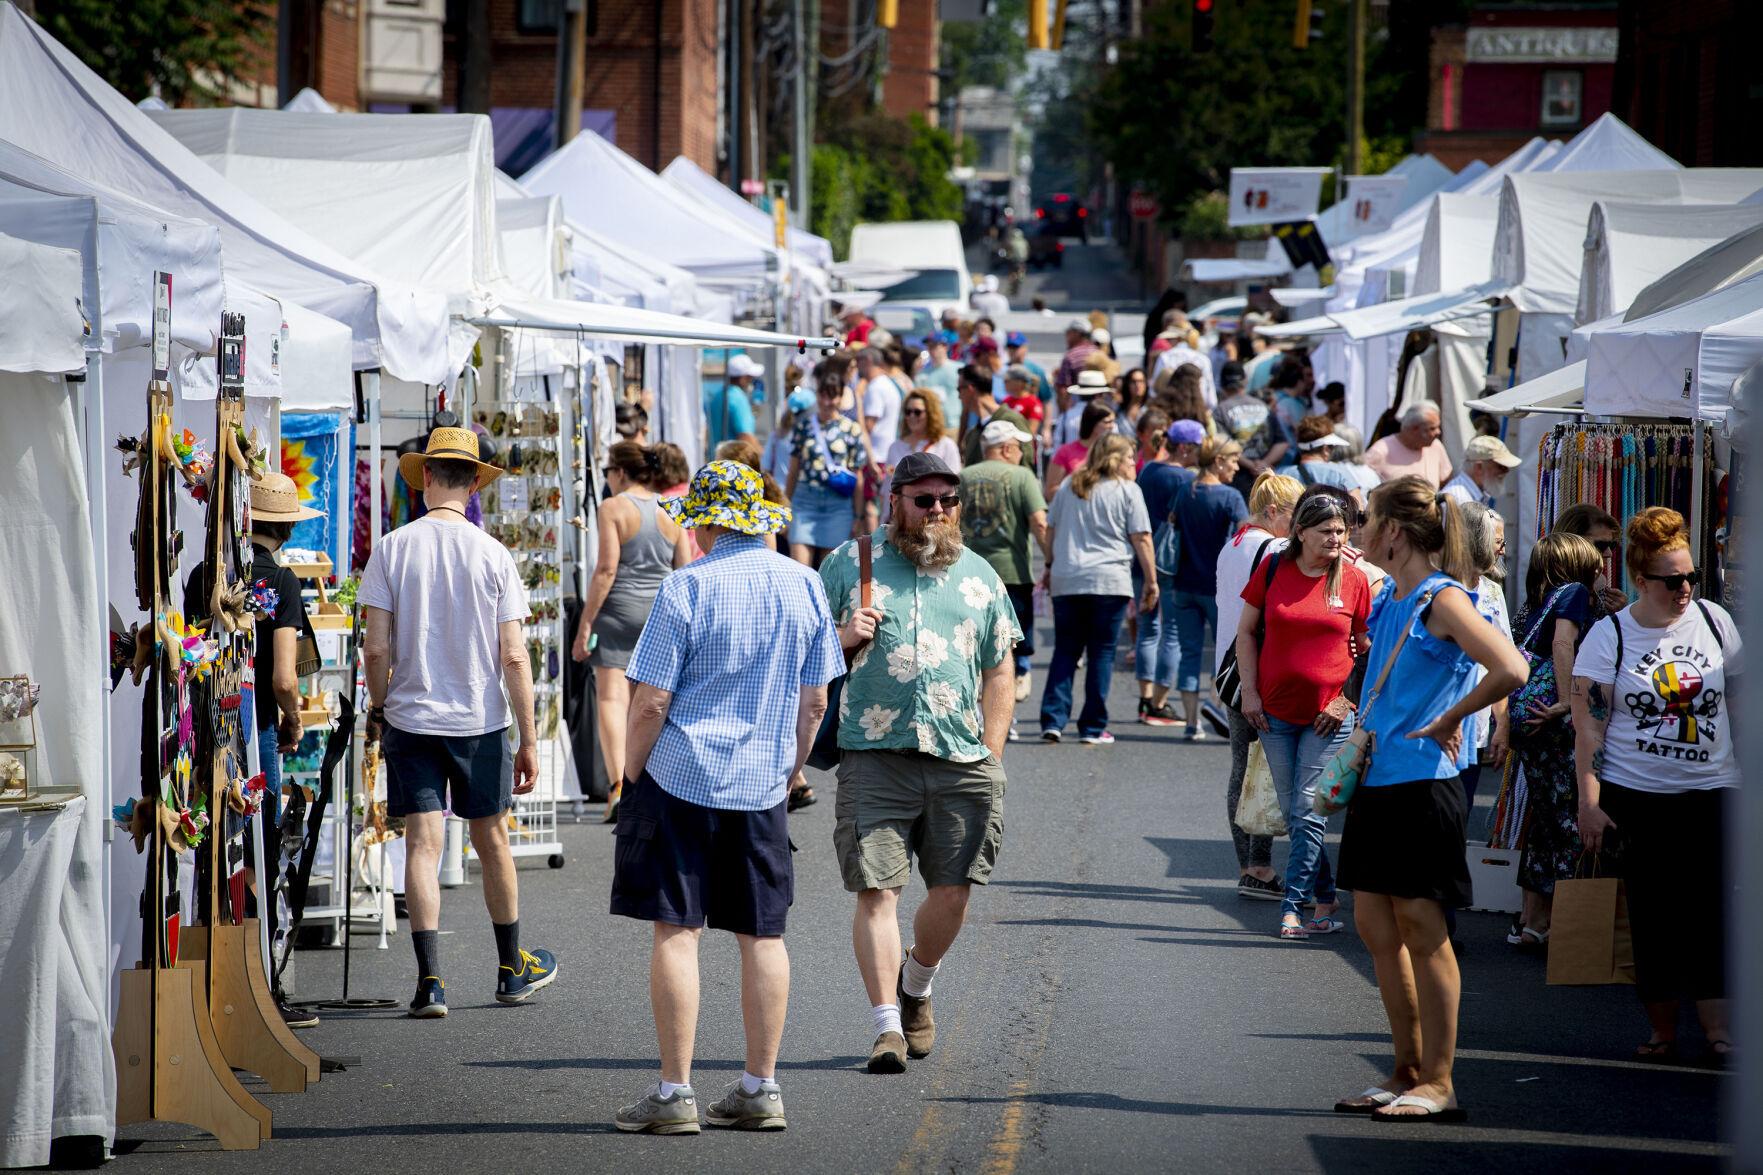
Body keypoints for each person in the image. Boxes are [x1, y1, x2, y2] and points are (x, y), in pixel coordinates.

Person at [610, 461, 844, 1134]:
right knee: (762, 934)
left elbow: (651, 699)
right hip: (762, 779)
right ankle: (759, 1085)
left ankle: (673, 1093)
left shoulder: (686, 586)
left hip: (682, 774)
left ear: (706, 521)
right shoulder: (802, 583)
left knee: (676, 931)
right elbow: (816, 699)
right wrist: (790, 766)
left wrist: (631, 772)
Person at [1331, 477, 1525, 1120]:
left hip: (1423, 785)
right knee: (1376, 928)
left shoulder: (1442, 598)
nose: (1358, 528)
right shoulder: (1394, 595)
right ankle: (1405, 1071)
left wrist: (1452, 719)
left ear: (1392, 530)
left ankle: (1439, 1082)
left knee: (1423, 930)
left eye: (1366, 518)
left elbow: (1510, 668)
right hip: (1381, 780)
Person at [821, 452, 1020, 1074]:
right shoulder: (846, 565)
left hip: (962, 757)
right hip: (874, 754)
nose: (938, 511)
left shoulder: (980, 575)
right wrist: (842, 637)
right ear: (894, 501)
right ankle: (885, 1027)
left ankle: (917, 983)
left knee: (954, 892)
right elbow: (802, 659)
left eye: (947, 501)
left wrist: (992, 751)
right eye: (924, 499)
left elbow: (999, 668)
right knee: (877, 889)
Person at [360, 427, 559, 1018]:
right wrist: (529, 736)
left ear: (424, 479)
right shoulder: (493, 553)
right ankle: (509, 969)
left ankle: (430, 982)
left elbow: (375, 649)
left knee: (422, 845)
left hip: (413, 716)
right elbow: (515, 655)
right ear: (474, 483)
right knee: (490, 838)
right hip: (478, 717)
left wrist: (378, 706)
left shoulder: (393, 548)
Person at [1569, 507, 1739, 1065]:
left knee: (1714, 912)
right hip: (1638, 797)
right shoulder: (1609, 634)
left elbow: (1740, 704)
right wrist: (1589, 802)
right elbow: (1588, 727)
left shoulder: (1715, 621)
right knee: (1654, 914)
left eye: (1690, 576)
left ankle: (1718, 1032)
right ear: (1641, 581)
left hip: (1714, 791)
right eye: (1672, 580)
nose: (1685, 588)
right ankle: (1663, 1032)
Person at [193, 473, 319, 1028]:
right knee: (258, 854)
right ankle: (258, 986)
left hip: (203, 732)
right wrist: (294, 720)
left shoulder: (206, 572)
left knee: (210, 850)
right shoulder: (283, 580)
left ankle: (208, 978)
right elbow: (285, 678)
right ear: (286, 525)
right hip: (255, 729)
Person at [1236, 492, 1372, 939]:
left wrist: (1346, 700)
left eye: (1341, 531)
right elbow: (1246, 633)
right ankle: (1327, 896)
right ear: (1300, 532)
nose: (1336, 538)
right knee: (1298, 814)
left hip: (1329, 719)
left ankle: (1294, 908)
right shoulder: (1273, 569)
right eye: (1326, 531)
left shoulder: (1353, 580)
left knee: (1308, 812)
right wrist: (1250, 695)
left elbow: (1367, 651)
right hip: (1272, 714)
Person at [572, 442, 694, 819]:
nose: (607, 479)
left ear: (620, 473)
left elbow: (606, 569)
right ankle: (650, 783)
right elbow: (684, 568)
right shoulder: (671, 511)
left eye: (609, 472)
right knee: (652, 699)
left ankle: (619, 785)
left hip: (618, 612)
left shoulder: (613, 508)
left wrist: (585, 622)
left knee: (612, 698)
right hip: (659, 612)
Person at [1506, 530, 1599, 947]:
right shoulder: (1575, 592)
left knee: (1544, 823)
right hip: (1554, 721)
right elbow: (1564, 643)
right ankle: (1570, 929)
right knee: (1568, 819)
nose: (1602, 561)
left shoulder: (1534, 603)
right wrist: (1567, 701)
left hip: (1528, 724)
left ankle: (1533, 922)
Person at [1039, 435, 1157, 745]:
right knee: (1101, 653)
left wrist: (1049, 565)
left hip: (1068, 578)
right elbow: (1142, 538)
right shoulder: (1127, 491)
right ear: (1115, 460)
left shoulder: (1069, 485)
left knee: (1066, 649)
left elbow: (1051, 529)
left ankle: (1053, 720)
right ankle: (1092, 726)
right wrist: (1151, 580)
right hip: (1109, 580)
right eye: (1130, 458)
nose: (1134, 463)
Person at [1213, 473, 1299, 896]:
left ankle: (1248, 865)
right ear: (1273, 512)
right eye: (1294, 514)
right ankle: (1260, 866)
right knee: (1264, 770)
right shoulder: (1277, 549)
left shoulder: (1233, 545)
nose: (1299, 525)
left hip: (1229, 672)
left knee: (1241, 768)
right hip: (1261, 672)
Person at [960, 420, 1051, 708]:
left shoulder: (962, 477)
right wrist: (1050, 560)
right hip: (1013, 572)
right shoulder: (1022, 477)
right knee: (1012, 646)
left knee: (974, 643)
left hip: (970, 574)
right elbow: (1039, 522)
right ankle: (1006, 705)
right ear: (1007, 448)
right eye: (1020, 446)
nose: (1023, 452)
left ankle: (975, 703)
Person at [1168, 437, 1250, 740]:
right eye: (1232, 460)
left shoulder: (1184, 491)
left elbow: (1172, 524)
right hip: (1218, 587)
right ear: (1217, 461)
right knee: (1228, 650)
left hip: (1183, 584)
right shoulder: (1229, 497)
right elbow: (1246, 537)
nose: (1236, 466)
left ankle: (1192, 722)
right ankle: (1217, 707)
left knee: (1189, 652)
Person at [1134, 417, 1204, 724]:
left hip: (1142, 554)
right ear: (1186, 447)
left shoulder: (1149, 469)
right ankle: (1159, 704)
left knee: (1148, 627)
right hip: (1172, 563)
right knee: (1171, 631)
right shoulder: (1186, 480)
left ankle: (1146, 697)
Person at [786, 375, 873, 567]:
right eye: (822, 396)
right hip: (805, 500)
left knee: (829, 573)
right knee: (799, 568)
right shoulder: (803, 425)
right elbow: (793, 470)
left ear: (841, 398)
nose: (826, 402)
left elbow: (857, 476)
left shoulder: (852, 429)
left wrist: (858, 517)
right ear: (817, 396)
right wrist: (786, 505)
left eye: (832, 396)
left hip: (838, 505)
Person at [1551, 502, 1629, 615]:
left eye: (1612, 546)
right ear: (1571, 542)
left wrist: (1621, 615)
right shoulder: (1547, 592)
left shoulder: (1600, 590)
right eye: (1600, 545)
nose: (1609, 554)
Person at [958, 362, 1034, 469]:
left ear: (970, 389)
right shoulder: (973, 434)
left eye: (959, 389)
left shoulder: (1012, 420)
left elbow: (1026, 465)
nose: (959, 396)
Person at [1363, 403, 1452, 488]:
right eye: (1432, 428)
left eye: (1438, 427)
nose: (1438, 432)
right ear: (1414, 429)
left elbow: (1446, 480)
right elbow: (1360, 480)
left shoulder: (1435, 446)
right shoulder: (1381, 450)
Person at [1294, 416, 1380, 500]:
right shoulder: (1339, 473)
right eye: (1332, 446)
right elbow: (1357, 505)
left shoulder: (1284, 473)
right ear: (1326, 449)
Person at [1047, 401, 1116, 496]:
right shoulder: (1065, 452)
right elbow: (1050, 491)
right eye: (1107, 422)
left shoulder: (1113, 451)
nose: (1112, 426)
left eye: (1113, 421)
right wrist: (1079, 488)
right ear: (1093, 423)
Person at [1440, 434, 1521, 508]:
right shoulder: (1458, 499)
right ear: (1479, 467)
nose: (1506, 471)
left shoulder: (1474, 494)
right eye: (1500, 466)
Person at [707, 353, 763, 449]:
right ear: (742, 379)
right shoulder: (738, 398)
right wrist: (763, 459)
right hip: (734, 461)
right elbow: (746, 436)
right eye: (750, 377)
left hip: (718, 459)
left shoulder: (718, 396)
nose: (752, 380)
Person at [764, 389, 815, 493]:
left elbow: (766, 467)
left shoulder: (775, 436)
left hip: (777, 493)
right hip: (802, 495)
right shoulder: (810, 438)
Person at [918, 331, 963, 427]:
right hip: (933, 426)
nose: (931, 350)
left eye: (935, 346)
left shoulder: (959, 369)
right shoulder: (922, 375)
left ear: (945, 347)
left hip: (956, 425)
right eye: (929, 347)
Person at [1005, 330, 1051, 405]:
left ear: (1025, 347)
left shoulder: (1036, 370)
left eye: (1016, 347)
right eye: (1010, 347)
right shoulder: (1002, 370)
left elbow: (1045, 399)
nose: (1012, 350)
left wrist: (1046, 417)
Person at [1054, 317, 1099, 391]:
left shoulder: (1071, 356)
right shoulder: (1098, 352)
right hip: (1099, 401)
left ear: (1076, 334)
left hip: (1077, 400)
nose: (1066, 336)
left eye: (1068, 332)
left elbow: (1063, 389)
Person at [1001, 364, 1046, 435]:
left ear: (1019, 382)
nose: (1004, 383)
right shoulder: (1006, 401)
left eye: (1007, 380)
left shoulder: (1033, 402)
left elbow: (1031, 432)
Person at [1117, 366, 1150, 431]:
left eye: (1141, 381)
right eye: (1133, 382)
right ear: (1127, 385)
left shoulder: (1150, 410)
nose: (1137, 385)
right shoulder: (1118, 412)